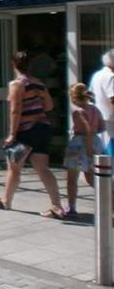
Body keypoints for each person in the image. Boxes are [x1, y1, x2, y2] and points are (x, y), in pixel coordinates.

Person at [0, 51, 65, 219]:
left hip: (26, 130)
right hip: (42, 128)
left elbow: (15, 110)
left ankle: (6, 201)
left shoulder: (17, 84)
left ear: (13, 64)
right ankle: (56, 206)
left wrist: (11, 134)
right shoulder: (39, 83)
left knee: (14, 167)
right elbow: (49, 106)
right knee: (43, 169)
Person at [64, 83, 105, 216]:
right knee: (93, 177)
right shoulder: (94, 109)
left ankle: (71, 207)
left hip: (79, 144)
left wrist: (87, 149)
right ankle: (110, 199)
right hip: (95, 142)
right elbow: (101, 127)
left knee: (72, 179)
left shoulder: (78, 111)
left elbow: (87, 129)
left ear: (73, 97)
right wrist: (92, 142)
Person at [90, 49, 114, 155]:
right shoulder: (110, 76)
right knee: (111, 147)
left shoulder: (97, 75)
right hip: (111, 119)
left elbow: (90, 95)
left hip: (100, 116)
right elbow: (112, 98)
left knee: (104, 146)